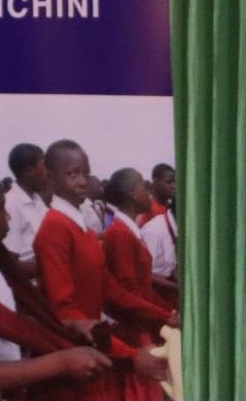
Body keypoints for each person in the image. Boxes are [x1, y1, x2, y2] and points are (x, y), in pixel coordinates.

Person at [0, 161, 114, 398]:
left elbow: (15, 323)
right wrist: (61, 362)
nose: (8, 217)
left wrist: (66, 325)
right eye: (0, 208)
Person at [33, 140, 171, 398]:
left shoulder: (82, 229)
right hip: (73, 360)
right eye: (72, 174)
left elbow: (112, 291)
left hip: (92, 354)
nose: (82, 182)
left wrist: (163, 315)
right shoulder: (55, 229)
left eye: (85, 174)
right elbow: (64, 311)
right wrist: (129, 354)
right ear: (50, 179)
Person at [100, 169, 178, 352]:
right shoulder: (120, 233)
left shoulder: (128, 231)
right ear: (133, 194)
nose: (149, 194)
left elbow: (143, 286)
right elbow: (130, 293)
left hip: (141, 321)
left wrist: (169, 311)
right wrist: (165, 315)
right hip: (133, 329)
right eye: (145, 188)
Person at [4, 143, 51, 268]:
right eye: (44, 166)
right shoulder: (11, 204)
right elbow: (11, 262)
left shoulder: (36, 199)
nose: (47, 172)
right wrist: (47, 262)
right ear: (30, 171)